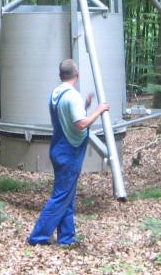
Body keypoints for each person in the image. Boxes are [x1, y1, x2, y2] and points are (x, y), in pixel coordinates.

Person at [28, 59, 110, 245]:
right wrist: (98, 110)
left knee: (67, 194)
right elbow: (80, 124)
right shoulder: (72, 96)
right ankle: (38, 237)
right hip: (69, 152)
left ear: (60, 75)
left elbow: (68, 115)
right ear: (77, 74)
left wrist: (85, 105)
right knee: (61, 196)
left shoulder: (57, 93)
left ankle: (66, 237)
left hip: (58, 148)